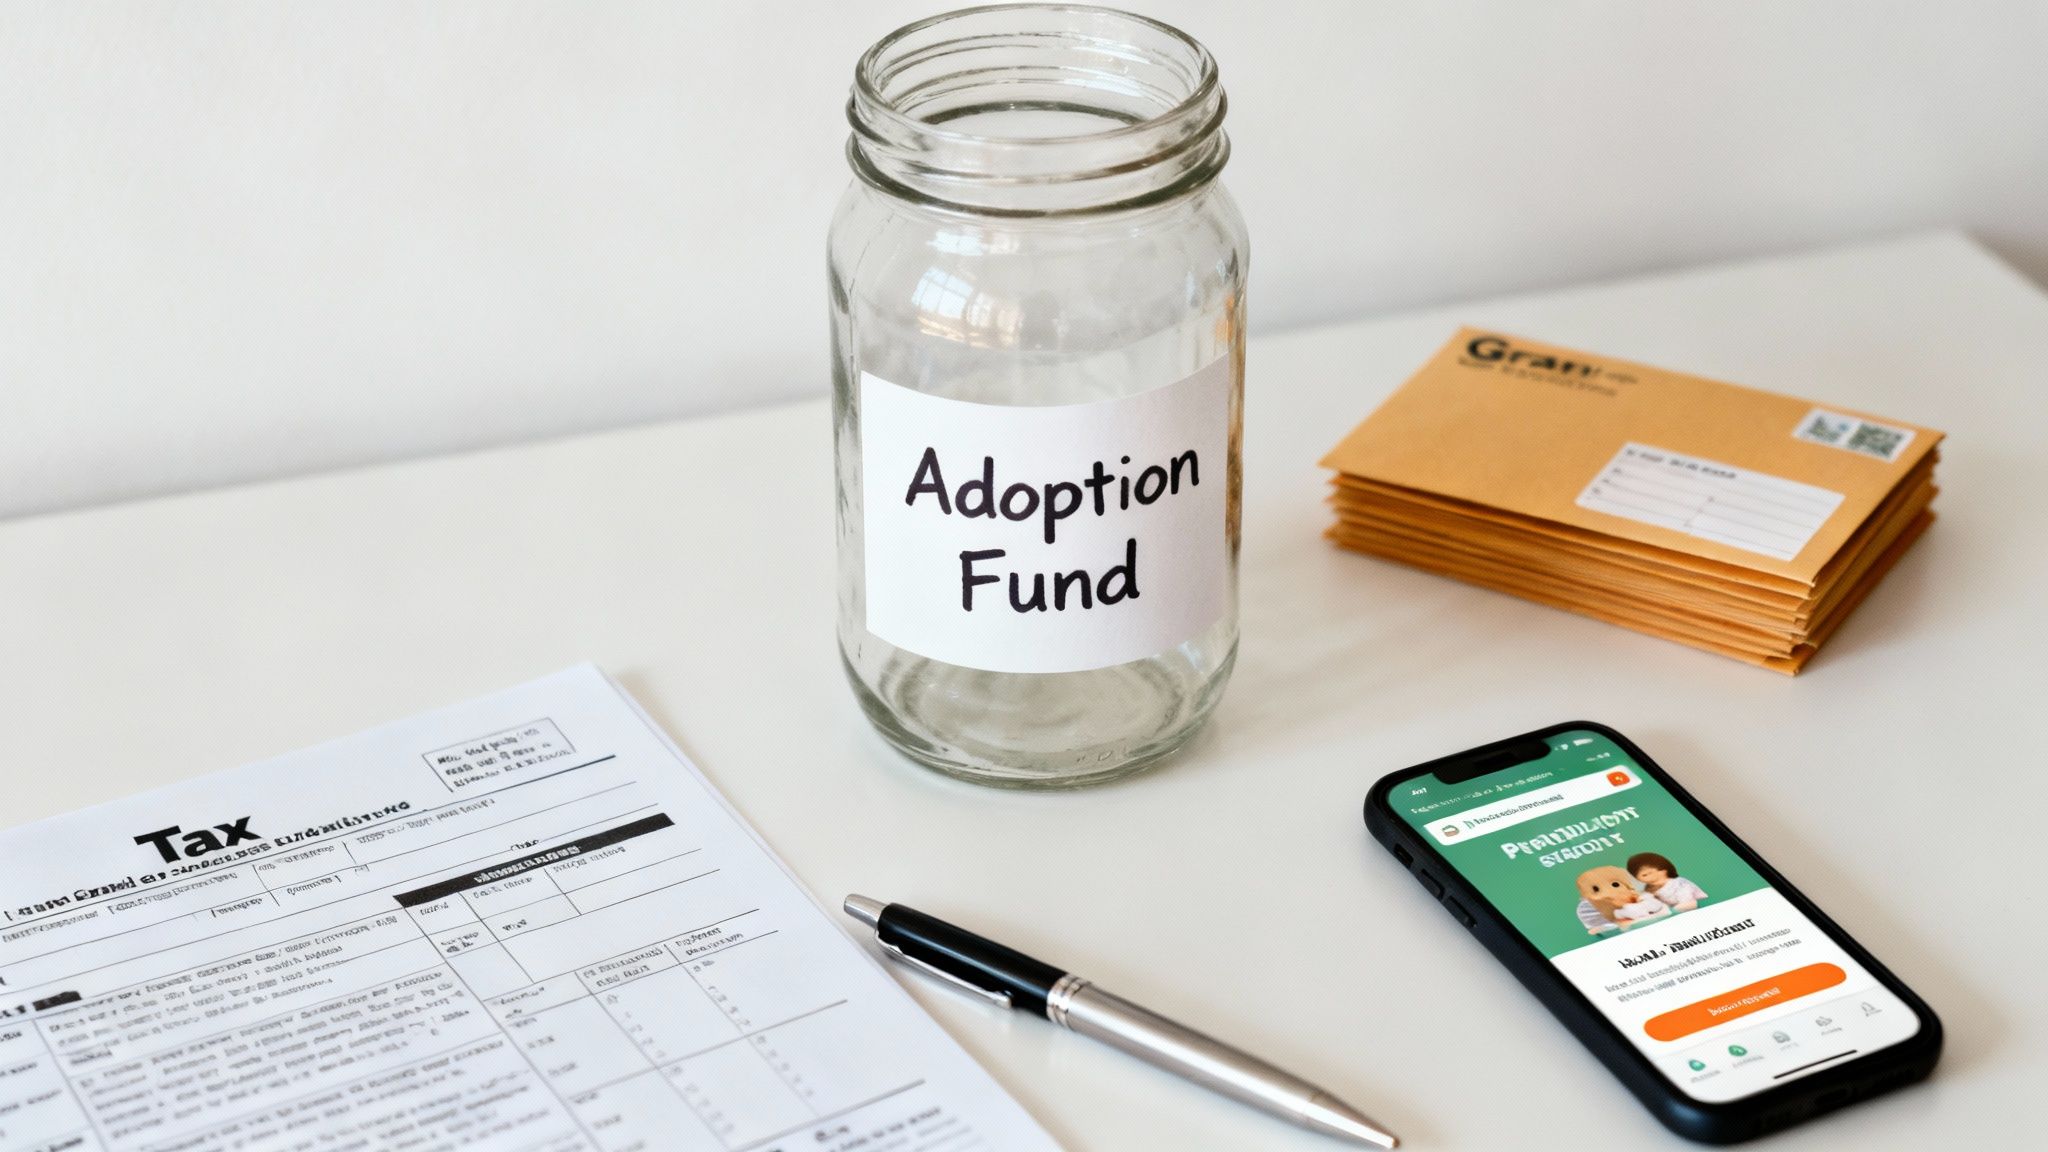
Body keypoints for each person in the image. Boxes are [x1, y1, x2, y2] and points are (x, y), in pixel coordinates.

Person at [1629, 852, 1707, 912]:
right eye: (1644, 875)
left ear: (1664, 870)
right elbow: (1647, 900)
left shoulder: (1679, 884)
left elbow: (1690, 904)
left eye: (1651, 872)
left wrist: (1669, 911)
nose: (1650, 878)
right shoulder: (1649, 888)